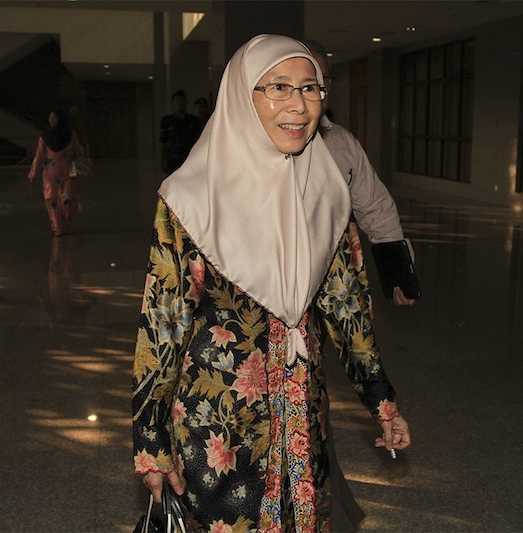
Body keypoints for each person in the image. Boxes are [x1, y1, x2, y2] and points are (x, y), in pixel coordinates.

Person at [132, 34, 411, 531]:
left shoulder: (326, 187)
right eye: (278, 87)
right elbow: (163, 327)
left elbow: (348, 310)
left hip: (303, 411)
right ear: (242, 95)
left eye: (311, 89)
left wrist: (381, 401)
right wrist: (150, 441)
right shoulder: (190, 198)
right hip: (215, 423)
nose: (299, 106)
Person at [304, 40, 418, 307]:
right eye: (308, 81)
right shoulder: (252, 144)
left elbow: (375, 206)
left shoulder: (341, 142)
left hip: (331, 277)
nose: (317, 91)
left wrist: (399, 271)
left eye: (324, 81)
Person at [28, 109, 81, 237]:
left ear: (61, 119)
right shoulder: (45, 137)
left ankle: (68, 223)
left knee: (68, 198)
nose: (51, 120)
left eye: (55, 117)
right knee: (53, 200)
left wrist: (80, 164)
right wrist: (33, 173)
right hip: (50, 175)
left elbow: (78, 152)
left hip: (67, 172)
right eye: (50, 117)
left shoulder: (71, 135)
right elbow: (39, 156)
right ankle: (58, 227)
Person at [160, 90, 204, 174]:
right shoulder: (167, 121)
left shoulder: (195, 121)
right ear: (173, 103)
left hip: (190, 159)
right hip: (173, 160)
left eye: (182, 100)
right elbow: (163, 142)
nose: (179, 103)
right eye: (177, 100)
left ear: (186, 102)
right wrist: (162, 163)